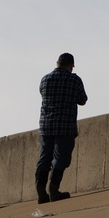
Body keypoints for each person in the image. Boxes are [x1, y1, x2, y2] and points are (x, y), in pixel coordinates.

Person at [36, 52, 88, 203]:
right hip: (65, 126)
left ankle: (41, 191)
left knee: (44, 157)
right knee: (60, 157)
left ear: (57, 63)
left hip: (46, 126)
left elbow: (42, 94)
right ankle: (54, 189)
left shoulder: (45, 79)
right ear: (71, 65)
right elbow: (83, 100)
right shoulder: (74, 79)